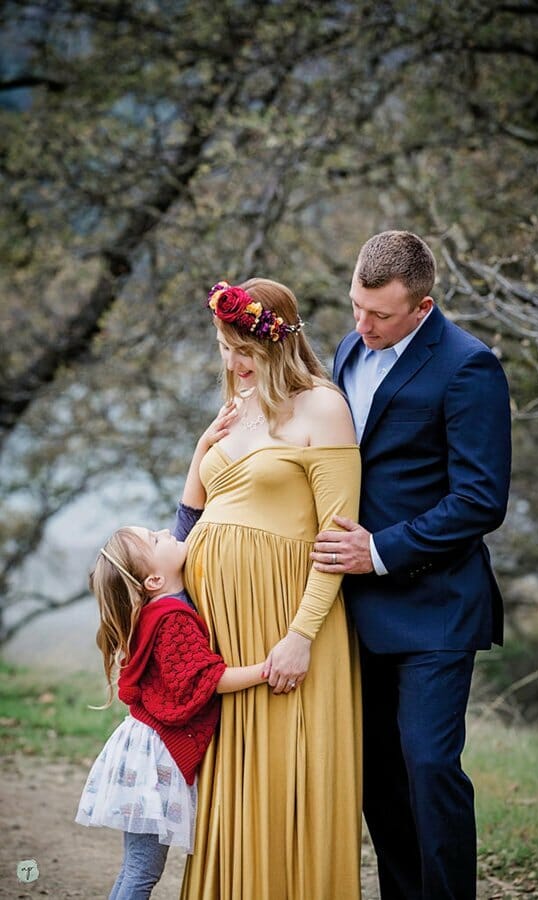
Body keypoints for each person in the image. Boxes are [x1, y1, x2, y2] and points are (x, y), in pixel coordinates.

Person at [312, 230, 512, 900]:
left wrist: (381, 549)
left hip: (436, 605)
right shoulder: (347, 349)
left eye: (381, 315)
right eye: (355, 308)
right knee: (377, 776)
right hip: (357, 613)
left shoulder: (469, 366)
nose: (362, 325)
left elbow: (481, 499)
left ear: (422, 308)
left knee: (429, 765)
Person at [179, 278, 362, 900]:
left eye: (243, 350)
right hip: (223, 627)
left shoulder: (324, 408)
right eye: (225, 349)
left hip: (285, 619)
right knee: (230, 780)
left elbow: (338, 541)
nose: (232, 364)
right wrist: (204, 444)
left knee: (286, 778)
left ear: (276, 342)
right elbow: (194, 515)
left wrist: (300, 637)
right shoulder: (237, 403)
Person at [75, 492, 268, 900]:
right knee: (142, 871)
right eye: (156, 538)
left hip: (143, 749)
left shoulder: (156, 609)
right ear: (154, 581)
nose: (167, 532)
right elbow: (205, 679)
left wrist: (202, 450)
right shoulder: (174, 618)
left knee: (136, 867)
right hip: (155, 759)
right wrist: (267, 670)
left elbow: (186, 524)